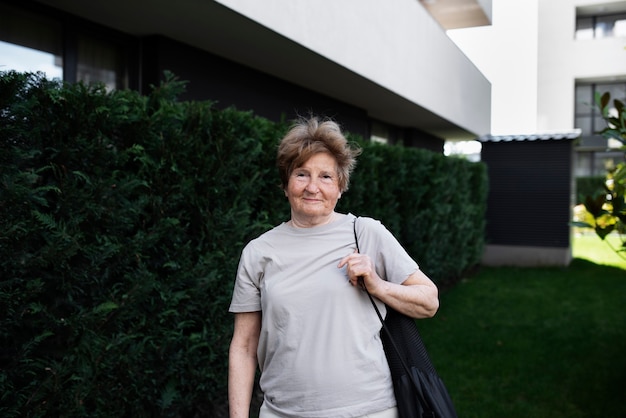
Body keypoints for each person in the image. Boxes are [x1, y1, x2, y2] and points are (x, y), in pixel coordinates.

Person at [228, 116, 440, 418]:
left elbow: (429, 301)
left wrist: (378, 285)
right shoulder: (259, 252)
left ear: (340, 187)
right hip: (283, 412)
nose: (312, 187)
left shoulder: (366, 233)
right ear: (285, 184)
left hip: (369, 411)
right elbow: (244, 346)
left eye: (326, 177)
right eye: (301, 174)